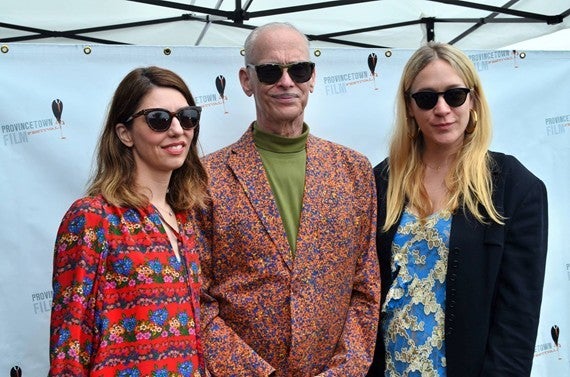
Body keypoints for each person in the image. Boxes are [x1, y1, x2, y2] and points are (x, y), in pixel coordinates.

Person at [195, 22, 380, 376]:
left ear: (312, 77)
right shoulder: (207, 178)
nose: (286, 81)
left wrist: (345, 370)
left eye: (298, 69)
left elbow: (366, 287)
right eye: (269, 71)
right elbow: (196, 298)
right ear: (246, 80)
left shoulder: (353, 170)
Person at [367, 42, 548, 377]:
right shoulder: (381, 182)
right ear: (409, 107)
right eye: (426, 98)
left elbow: (517, 319)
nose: (441, 108)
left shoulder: (514, 187)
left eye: (454, 95)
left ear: (473, 99)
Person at [49, 66, 209, 376]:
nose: (177, 130)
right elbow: (70, 343)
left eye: (187, 116)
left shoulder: (185, 219)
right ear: (125, 133)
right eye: (159, 119)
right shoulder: (93, 217)